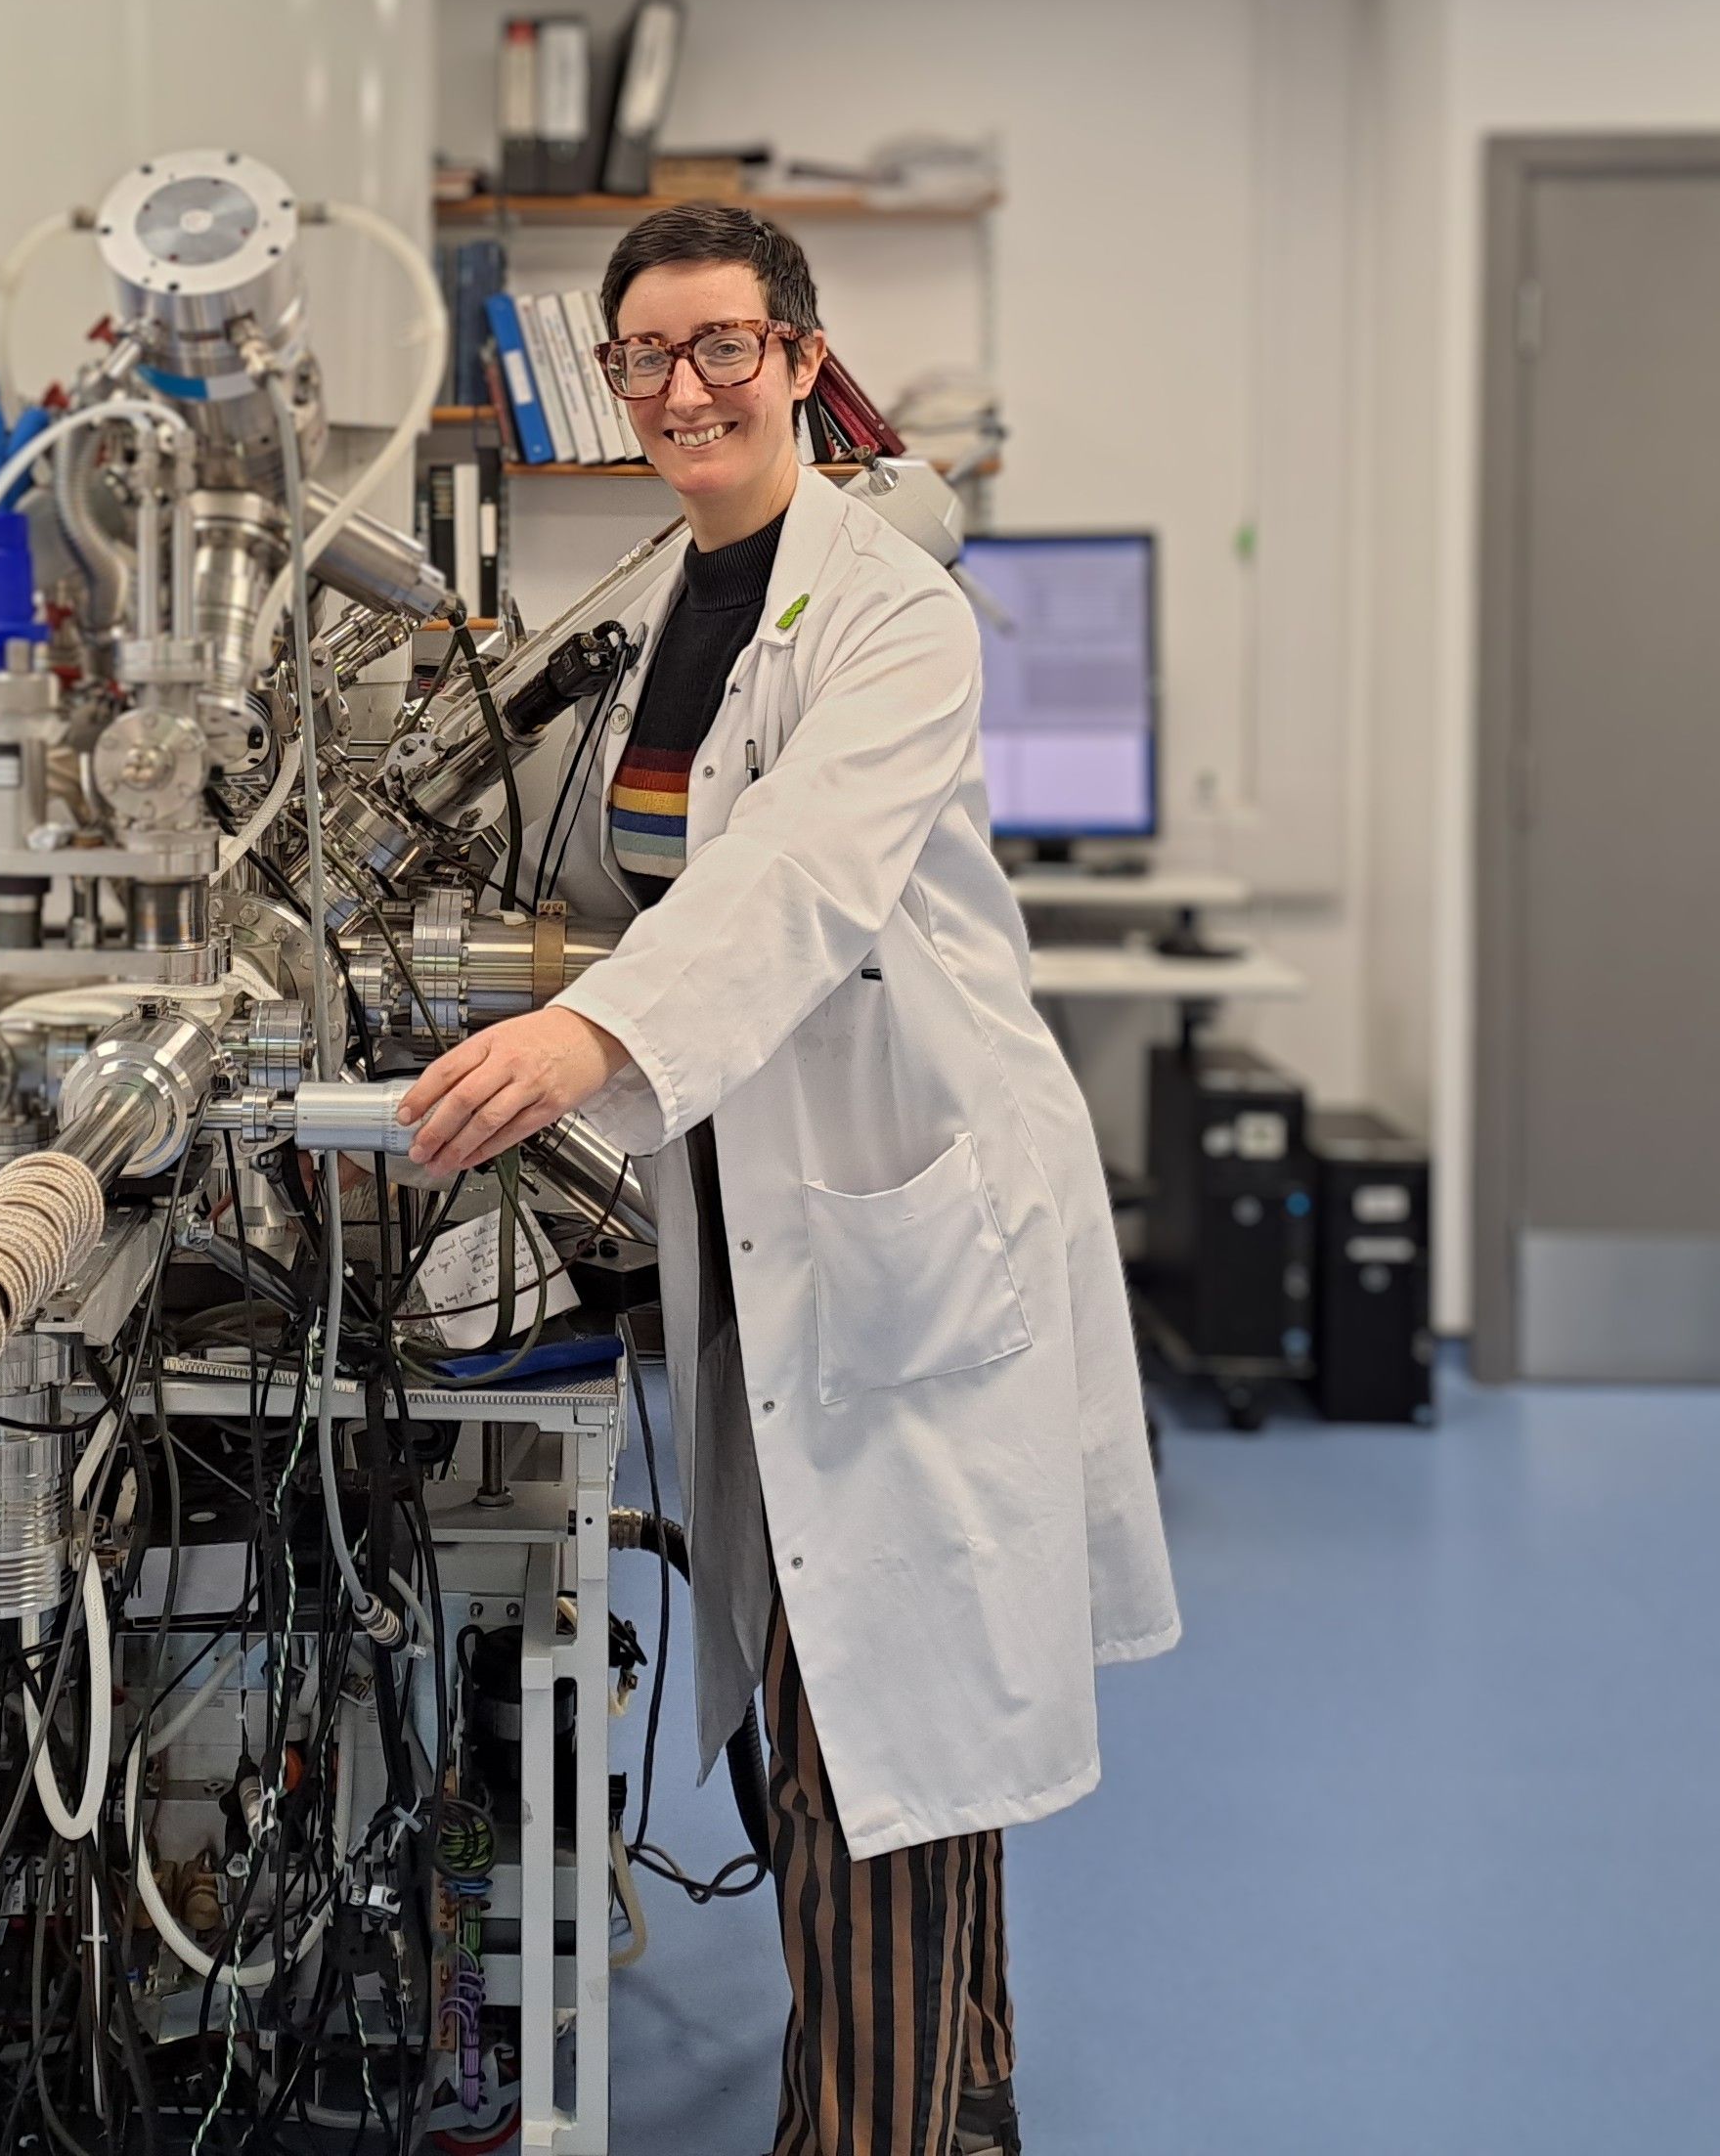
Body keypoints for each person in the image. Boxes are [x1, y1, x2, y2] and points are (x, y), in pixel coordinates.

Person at [402, 203, 1177, 2156]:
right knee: (868, 1705)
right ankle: (964, 2082)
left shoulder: (891, 607)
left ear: (799, 361)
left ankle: (875, 2128)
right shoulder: (668, 594)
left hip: (903, 1196)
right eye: (642, 357)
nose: (679, 388)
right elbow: (602, 850)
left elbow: (797, 878)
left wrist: (584, 1044)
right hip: (763, 1198)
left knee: (874, 1722)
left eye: (718, 346)